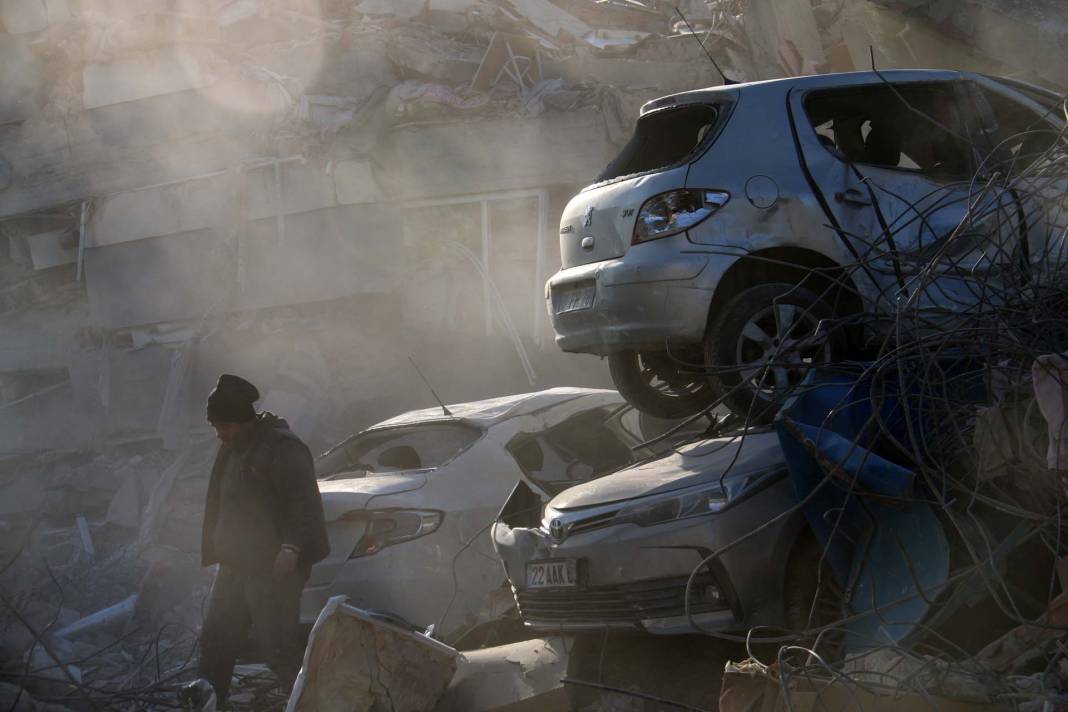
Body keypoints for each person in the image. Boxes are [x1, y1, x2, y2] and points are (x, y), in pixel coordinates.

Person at [196, 374, 329, 704]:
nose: (219, 434)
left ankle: (310, 705)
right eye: (216, 426)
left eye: (224, 426)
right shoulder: (232, 448)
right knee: (215, 643)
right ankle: (211, 704)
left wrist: (291, 547)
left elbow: (304, 503)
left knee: (279, 648)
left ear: (243, 421)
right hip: (235, 565)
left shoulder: (283, 448)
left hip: (272, 567)